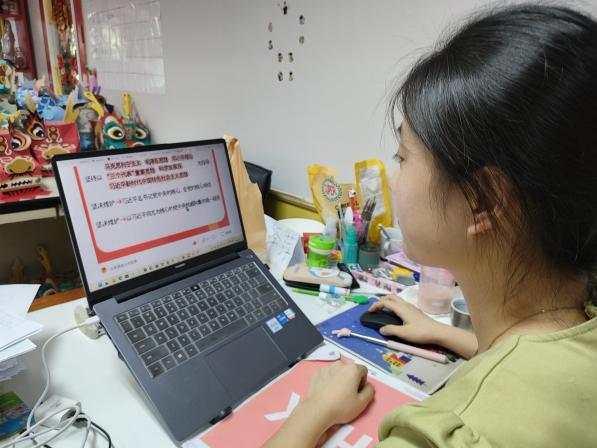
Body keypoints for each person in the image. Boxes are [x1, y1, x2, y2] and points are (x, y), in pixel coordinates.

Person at [265, 4, 597, 447]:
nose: (394, 180)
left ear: (484, 201)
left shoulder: (448, 434)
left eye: (403, 157)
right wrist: (446, 334)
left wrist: (315, 409)